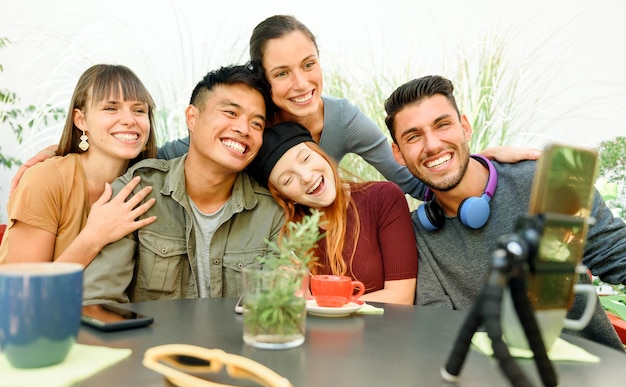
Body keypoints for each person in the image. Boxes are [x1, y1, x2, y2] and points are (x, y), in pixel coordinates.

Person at [156, 14, 539, 200]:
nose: (302, 84)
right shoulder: (249, 128)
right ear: (264, 78)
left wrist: (479, 162)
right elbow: (175, 153)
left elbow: (414, 182)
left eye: (309, 65)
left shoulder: (345, 119)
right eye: (283, 73)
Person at [385, 74, 626, 350]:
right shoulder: (417, 233)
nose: (433, 145)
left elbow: (616, 254)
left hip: (593, 375)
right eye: (414, 136)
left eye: (443, 125)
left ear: (465, 127)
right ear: (398, 154)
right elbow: (439, 327)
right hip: (489, 383)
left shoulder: (542, 181)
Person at [82, 64, 285, 305]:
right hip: (154, 343)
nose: (243, 129)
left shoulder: (271, 213)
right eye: (231, 113)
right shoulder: (138, 192)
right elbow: (100, 302)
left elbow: (278, 308)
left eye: (257, 124)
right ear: (192, 117)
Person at [0, 64, 158, 265]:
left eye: (139, 110)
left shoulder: (148, 181)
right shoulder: (44, 180)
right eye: (111, 108)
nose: (129, 120)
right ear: (80, 120)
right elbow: (26, 289)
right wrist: (95, 236)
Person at [247, 121, 417, 304]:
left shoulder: (383, 198)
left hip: (382, 330)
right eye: (288, 180)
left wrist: (325, 305)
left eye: (305, 158)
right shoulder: (288, 234)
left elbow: (401, 297)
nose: (305, 177)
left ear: (321, 154)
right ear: (286, 197)